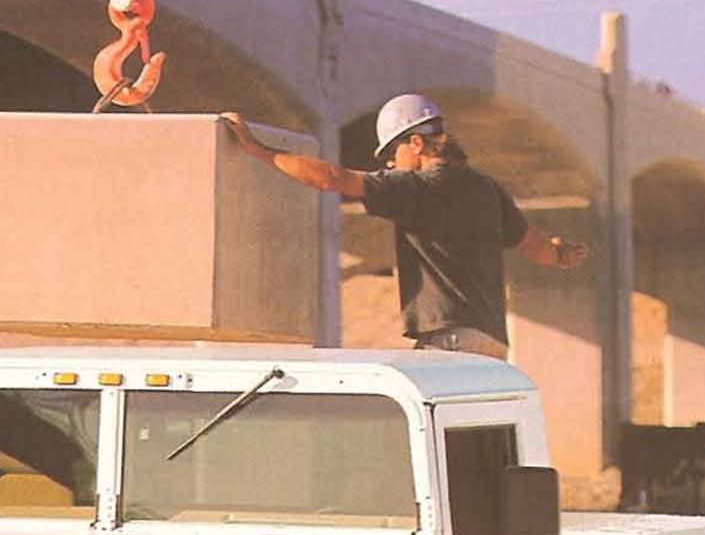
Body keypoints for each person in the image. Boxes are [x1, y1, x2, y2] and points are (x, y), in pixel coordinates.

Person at [220, 94, 589, 357]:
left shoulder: (416, 186)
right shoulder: (487, 188)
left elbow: (332, 178)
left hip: (450, 343)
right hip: (492, 346)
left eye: (391, 154)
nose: (390, 166)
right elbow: (540, 249)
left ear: (415, 143)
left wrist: (259, 151)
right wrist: (560, 254)